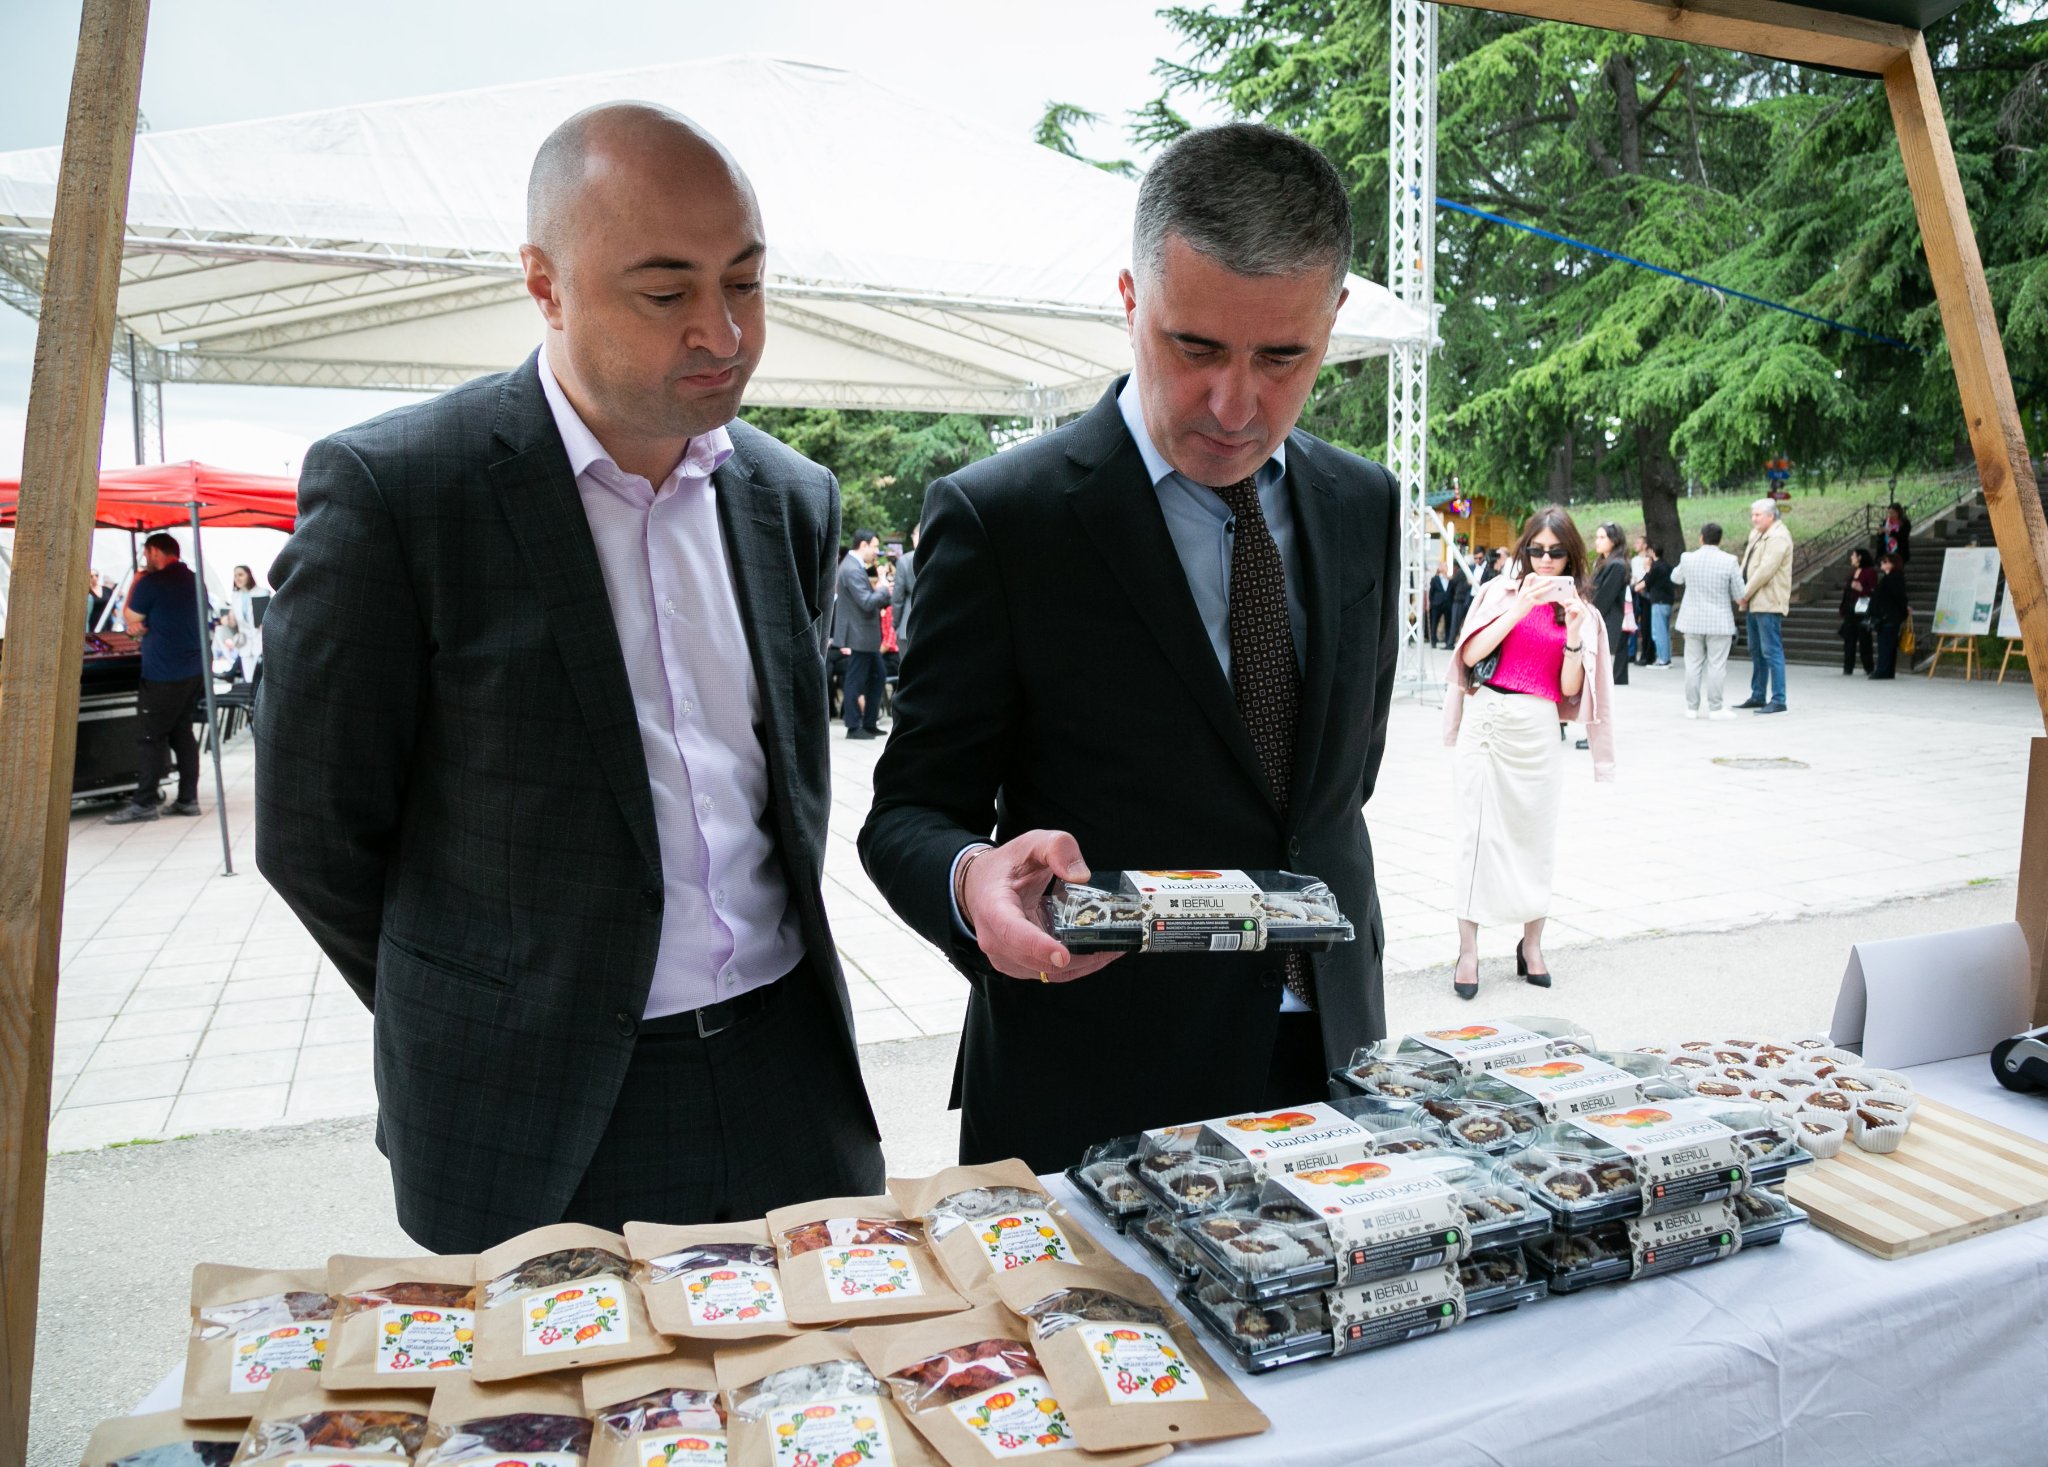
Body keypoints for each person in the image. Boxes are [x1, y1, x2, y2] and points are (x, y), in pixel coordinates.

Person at [254, 103, 884, 1254]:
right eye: (665, 291)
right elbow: (311, 834)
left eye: (744, 282)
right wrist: (487, 1008)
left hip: (787, 1079)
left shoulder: (790, 496)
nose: (721, 331)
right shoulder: (402, 492)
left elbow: (776, 792)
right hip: (533, 1111)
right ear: (545, 285)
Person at [859, 122, 1400, 1171]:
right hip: (1097, 1082)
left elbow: (1338, 788)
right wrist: (972, 881)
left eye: (1282, 357)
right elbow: (908, 813)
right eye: (1194, 347)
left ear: (1332, 321)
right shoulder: (1003, 519)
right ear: (1127, 298)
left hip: (1334, 1060)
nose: (1234, 405)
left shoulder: (1361, 503)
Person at [1442, 508, 1614, 1001]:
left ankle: (1532, 945)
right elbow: (1469, 655)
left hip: (1538, 729)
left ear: (1571, 556)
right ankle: (1468, 950)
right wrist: (1519, 608)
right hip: (1488, 722)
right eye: (1536, 550)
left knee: (1535, 840)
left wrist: (1574, 633)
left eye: (1555, 552)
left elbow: (1569, 689)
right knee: (1476, 838)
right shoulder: (1499, 591)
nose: (1544, 560)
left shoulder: (1583, 612)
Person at [105, 531, 206, 824]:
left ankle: (144, 803)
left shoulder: (151, 582)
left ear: (154, 552)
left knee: (150, 737)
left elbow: (130, 616)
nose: (144, 559)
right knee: (182, 733)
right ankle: (188, 799)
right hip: (193, 669)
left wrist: (138, 581)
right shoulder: (193, 579)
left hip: (163, 672)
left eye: (146, 553)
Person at [1670, 523, 1743, 719]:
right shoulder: (1730, 561)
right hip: (1719, 621)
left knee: (1692, 665)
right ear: (1720, 539)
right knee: (1717, 665)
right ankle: (1715, 708)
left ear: (1701, 537)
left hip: (1692, 620)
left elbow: (1676, 578)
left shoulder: (1688, 558)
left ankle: (1691, 708)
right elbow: (1739, 593)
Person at [1736, 498, 1794, 714]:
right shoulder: (1757, 534)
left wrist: (1744, 593)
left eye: (1757, 515)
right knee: (1756, 650)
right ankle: (1758, 695)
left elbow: (1765, 570)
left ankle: (1779, 699)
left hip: (1768, 601)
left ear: (1771, 516)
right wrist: (1739, 589)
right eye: (1752, 515)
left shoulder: (1779, 536)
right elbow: (1746, 564)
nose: (1754, 519)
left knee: (1771, 650)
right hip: (1754, 601)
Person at [837, 530, 893, 739]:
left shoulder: (857, 566)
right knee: (855, 680)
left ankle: (869, 723)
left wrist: (881, 590)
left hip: (865, 635)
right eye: (875, 546)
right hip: (859, 634)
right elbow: (867, 602)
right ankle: (853, 726)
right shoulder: (852, 569)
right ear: (863, 545)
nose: (877, 551)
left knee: (878, 676)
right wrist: (884, 589)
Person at [1590, 523, 1630, 689]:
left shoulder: (1617, 565)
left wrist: (1589, 614)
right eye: (1597, 537)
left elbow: (1604, 598)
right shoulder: (1604, 562)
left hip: (1607, 619)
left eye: (1602, 537)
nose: (1597, 541)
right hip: (1601, 617)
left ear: (1613, 540)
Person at [1871, 550, 1912, 678]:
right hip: (1887, 615)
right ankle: (1887, 671)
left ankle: (1882, 670)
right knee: (1888, 643)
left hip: (1889, 616)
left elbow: (1899, 597)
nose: (1882, 563)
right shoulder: (1890, 577)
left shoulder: (1894, 578)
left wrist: (1903, 609)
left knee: (1885, 644)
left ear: (1893, 564)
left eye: (1885, 561)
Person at [1839, 548, 1879, 676]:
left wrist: (1862, 589)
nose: (1851, 557)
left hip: (1862, 610)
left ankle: (1868, 666)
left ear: (1860, 557)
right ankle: (1848, 667)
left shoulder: (1870, 572)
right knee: (1849, 639)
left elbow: (1874, 591)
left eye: (1853, 555)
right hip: (1850, 609)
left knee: (1864, 639)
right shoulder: (1853, 572)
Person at [1638, 544, 1675, 667]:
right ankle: (1666, 658)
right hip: (1667, 601)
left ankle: (1662, 660)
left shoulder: (1656, 568)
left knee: (1658, 632)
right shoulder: (1667, 566)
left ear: (1653, 552)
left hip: (1658, 601)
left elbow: (1646, 583)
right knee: (1665, 631)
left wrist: (1647, 569)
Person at [895, 521, 921, 653]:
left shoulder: (904, 561)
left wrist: (895, 623)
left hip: (907, 623)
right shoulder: (942, 558)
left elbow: (897, 598)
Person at [1629, 535, 1653, 667]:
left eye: (1638, 542)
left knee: (1644, 624)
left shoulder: (1648, 560)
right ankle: (1631, 653)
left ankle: (1646, 653)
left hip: (1643, 593)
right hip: (1634, 591)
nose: (1635, 544)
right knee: (1632, 621)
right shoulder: (1634, 560)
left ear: (1645, 545)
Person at [1448, 551, 1475, 646]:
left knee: (1456, 622)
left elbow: (1454, 583)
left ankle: (1451, 642)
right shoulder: (1470, 571)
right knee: (1462, 623)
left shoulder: (1462, 571)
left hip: (1460, 599)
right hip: (1465, 599)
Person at [1427, 561, 1454, 647]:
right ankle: (1433, 641)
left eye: (1447, 566)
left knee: (1448, 623)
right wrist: (1432, 603)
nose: (1446, 567)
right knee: (1434, 623)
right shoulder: (1435, 579)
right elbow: (1431, 592)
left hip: (1447, 604)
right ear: (1440, 568)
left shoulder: (1450, 579)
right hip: (1437, 604)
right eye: (1444, 566)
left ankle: (1447, 641)